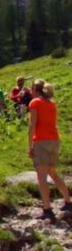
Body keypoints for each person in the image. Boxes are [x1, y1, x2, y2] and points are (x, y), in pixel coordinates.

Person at [27, 80, 71, 221]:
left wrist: (30, 146)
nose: (30, 90)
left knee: (42, 178)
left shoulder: (35, 103)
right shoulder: (52, 104)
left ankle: (47, 209)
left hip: (41, 141)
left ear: (36, 90)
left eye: (32, 87)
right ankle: (68, 201)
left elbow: (32, 125)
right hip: (54, 140)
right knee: (53, 172)